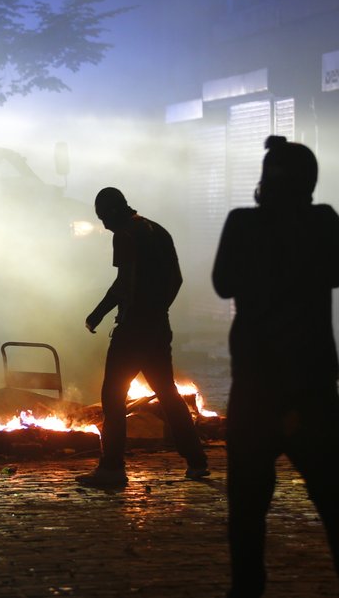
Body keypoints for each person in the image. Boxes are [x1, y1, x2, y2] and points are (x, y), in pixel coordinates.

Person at [212, 136, 339, 598]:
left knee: (247, 508)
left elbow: (223, 283)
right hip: (310, 385)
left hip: (255, 386)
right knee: (337, 505)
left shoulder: (242, 224)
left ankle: (247, 591)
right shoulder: (321, 221)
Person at [77, 187, 209, 488]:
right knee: (167, 392)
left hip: (133, 329)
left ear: (112, 212)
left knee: (112, 395)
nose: (103, 225)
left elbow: (124, 282)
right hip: (157, 327)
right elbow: (176, 279)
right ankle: (197, 461)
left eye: (103, 218)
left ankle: (112, 468)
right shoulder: (158, 230)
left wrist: (98, 313)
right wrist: (158, 311)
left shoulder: (124, 235)